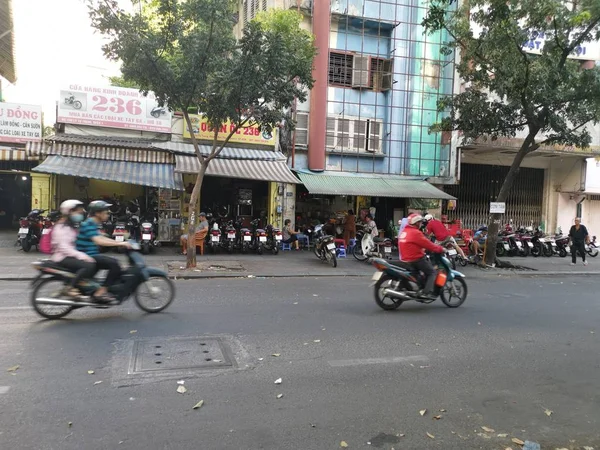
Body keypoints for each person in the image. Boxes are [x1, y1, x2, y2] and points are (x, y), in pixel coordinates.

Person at [76, 200, 132, 301]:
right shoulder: (89, 223)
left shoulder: (93, 224)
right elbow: (99, 241)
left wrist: (120, 241)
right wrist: (120, 243)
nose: (108, 214)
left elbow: (102, 238)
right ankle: (101, 292)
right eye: (105, 212)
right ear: (98, 213)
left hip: (91, 255)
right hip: (87, 256)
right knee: (115, 264)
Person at [50, 200, 104, 301]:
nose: (80, 215)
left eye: (80, 212)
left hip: (68, 255)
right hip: (62, 257)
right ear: (69, 212)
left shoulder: (70, 226)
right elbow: (64, 248)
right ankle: (70, 287)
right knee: (89, 264)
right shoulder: (62, 227)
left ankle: (82, 286)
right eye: (77, 213)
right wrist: (81, 255)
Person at [399, 213, 445, 299]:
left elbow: (414, 244)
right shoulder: (416, 233)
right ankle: (426, 293)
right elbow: (428, 244)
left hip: (405, 259)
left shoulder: (404, 231)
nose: (421, 224)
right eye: (420, 222)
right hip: (416, 259)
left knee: (421, 273)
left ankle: (420, 287)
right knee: (432, 272)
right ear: (416, 223)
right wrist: (440, 249)